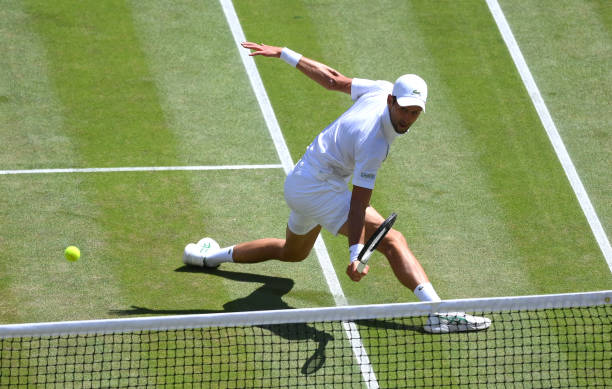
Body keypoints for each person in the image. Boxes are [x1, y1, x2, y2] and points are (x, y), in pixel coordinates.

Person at [183, 42, 490, 333]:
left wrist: (284, 53)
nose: (407, 119)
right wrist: (356, 254)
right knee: (393, 240)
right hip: (317, 187)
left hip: (304, 180)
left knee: (292, 252)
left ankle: (207, 257)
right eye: (404, 110)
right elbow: (357, 205)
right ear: (391, 101)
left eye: (415, 112)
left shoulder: (380, 89)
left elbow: (333, 80)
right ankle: (438, 313)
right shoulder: (374, 143)